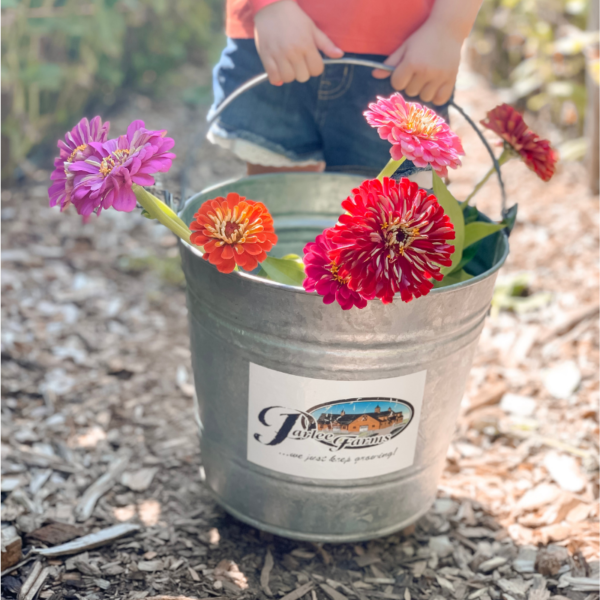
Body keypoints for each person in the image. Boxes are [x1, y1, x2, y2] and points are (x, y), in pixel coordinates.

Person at [207, 0, 483, 182]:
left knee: (391, 232)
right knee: (275, 216)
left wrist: (449, 27)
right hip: (275, 35)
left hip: (406, 58)